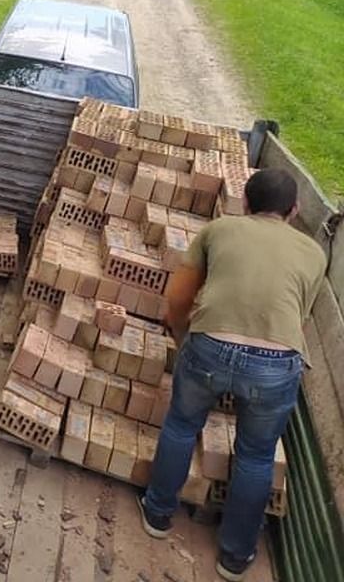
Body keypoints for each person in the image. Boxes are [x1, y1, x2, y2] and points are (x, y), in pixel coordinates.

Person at [138, 168, 325, 582]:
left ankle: (157, 515)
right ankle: (235, 558)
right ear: (293, 211)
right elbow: (301, 316)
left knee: (183, 425)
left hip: (211, 347)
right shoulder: (314, 252)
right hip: (276, 365)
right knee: (257, 455)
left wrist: (183, 335)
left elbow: (179, 297)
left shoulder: (219, 230)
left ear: (245, 204)